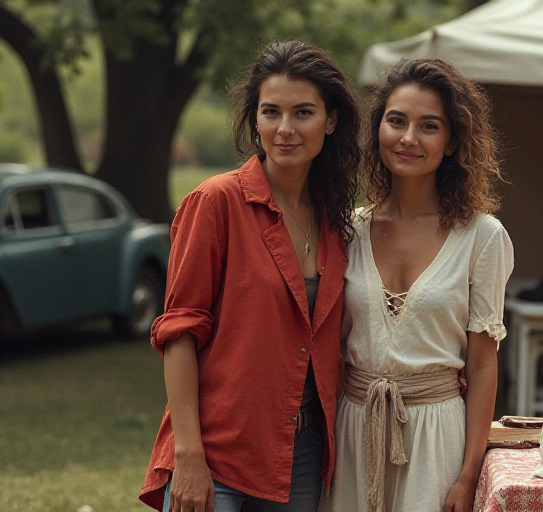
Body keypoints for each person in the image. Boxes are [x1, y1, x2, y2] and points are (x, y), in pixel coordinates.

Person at [137, 40, 361, 512]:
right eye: (270, 112)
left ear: (331, 120)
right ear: (254, 119)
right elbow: (179, 332)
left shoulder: (335, 221)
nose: (285, 129)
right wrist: (189, 456)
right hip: (217, 451)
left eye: (303, 113)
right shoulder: (216, 202)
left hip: (301, 453)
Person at [320, 58, 514, 512]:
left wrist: (469, 476)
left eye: (429, 126)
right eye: (396, 121)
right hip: (355, 428)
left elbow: (483, 366)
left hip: (436, 436)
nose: (408, 138)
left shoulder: (482, 237)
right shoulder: (349, 230)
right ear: (378, 130)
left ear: (451, 142)